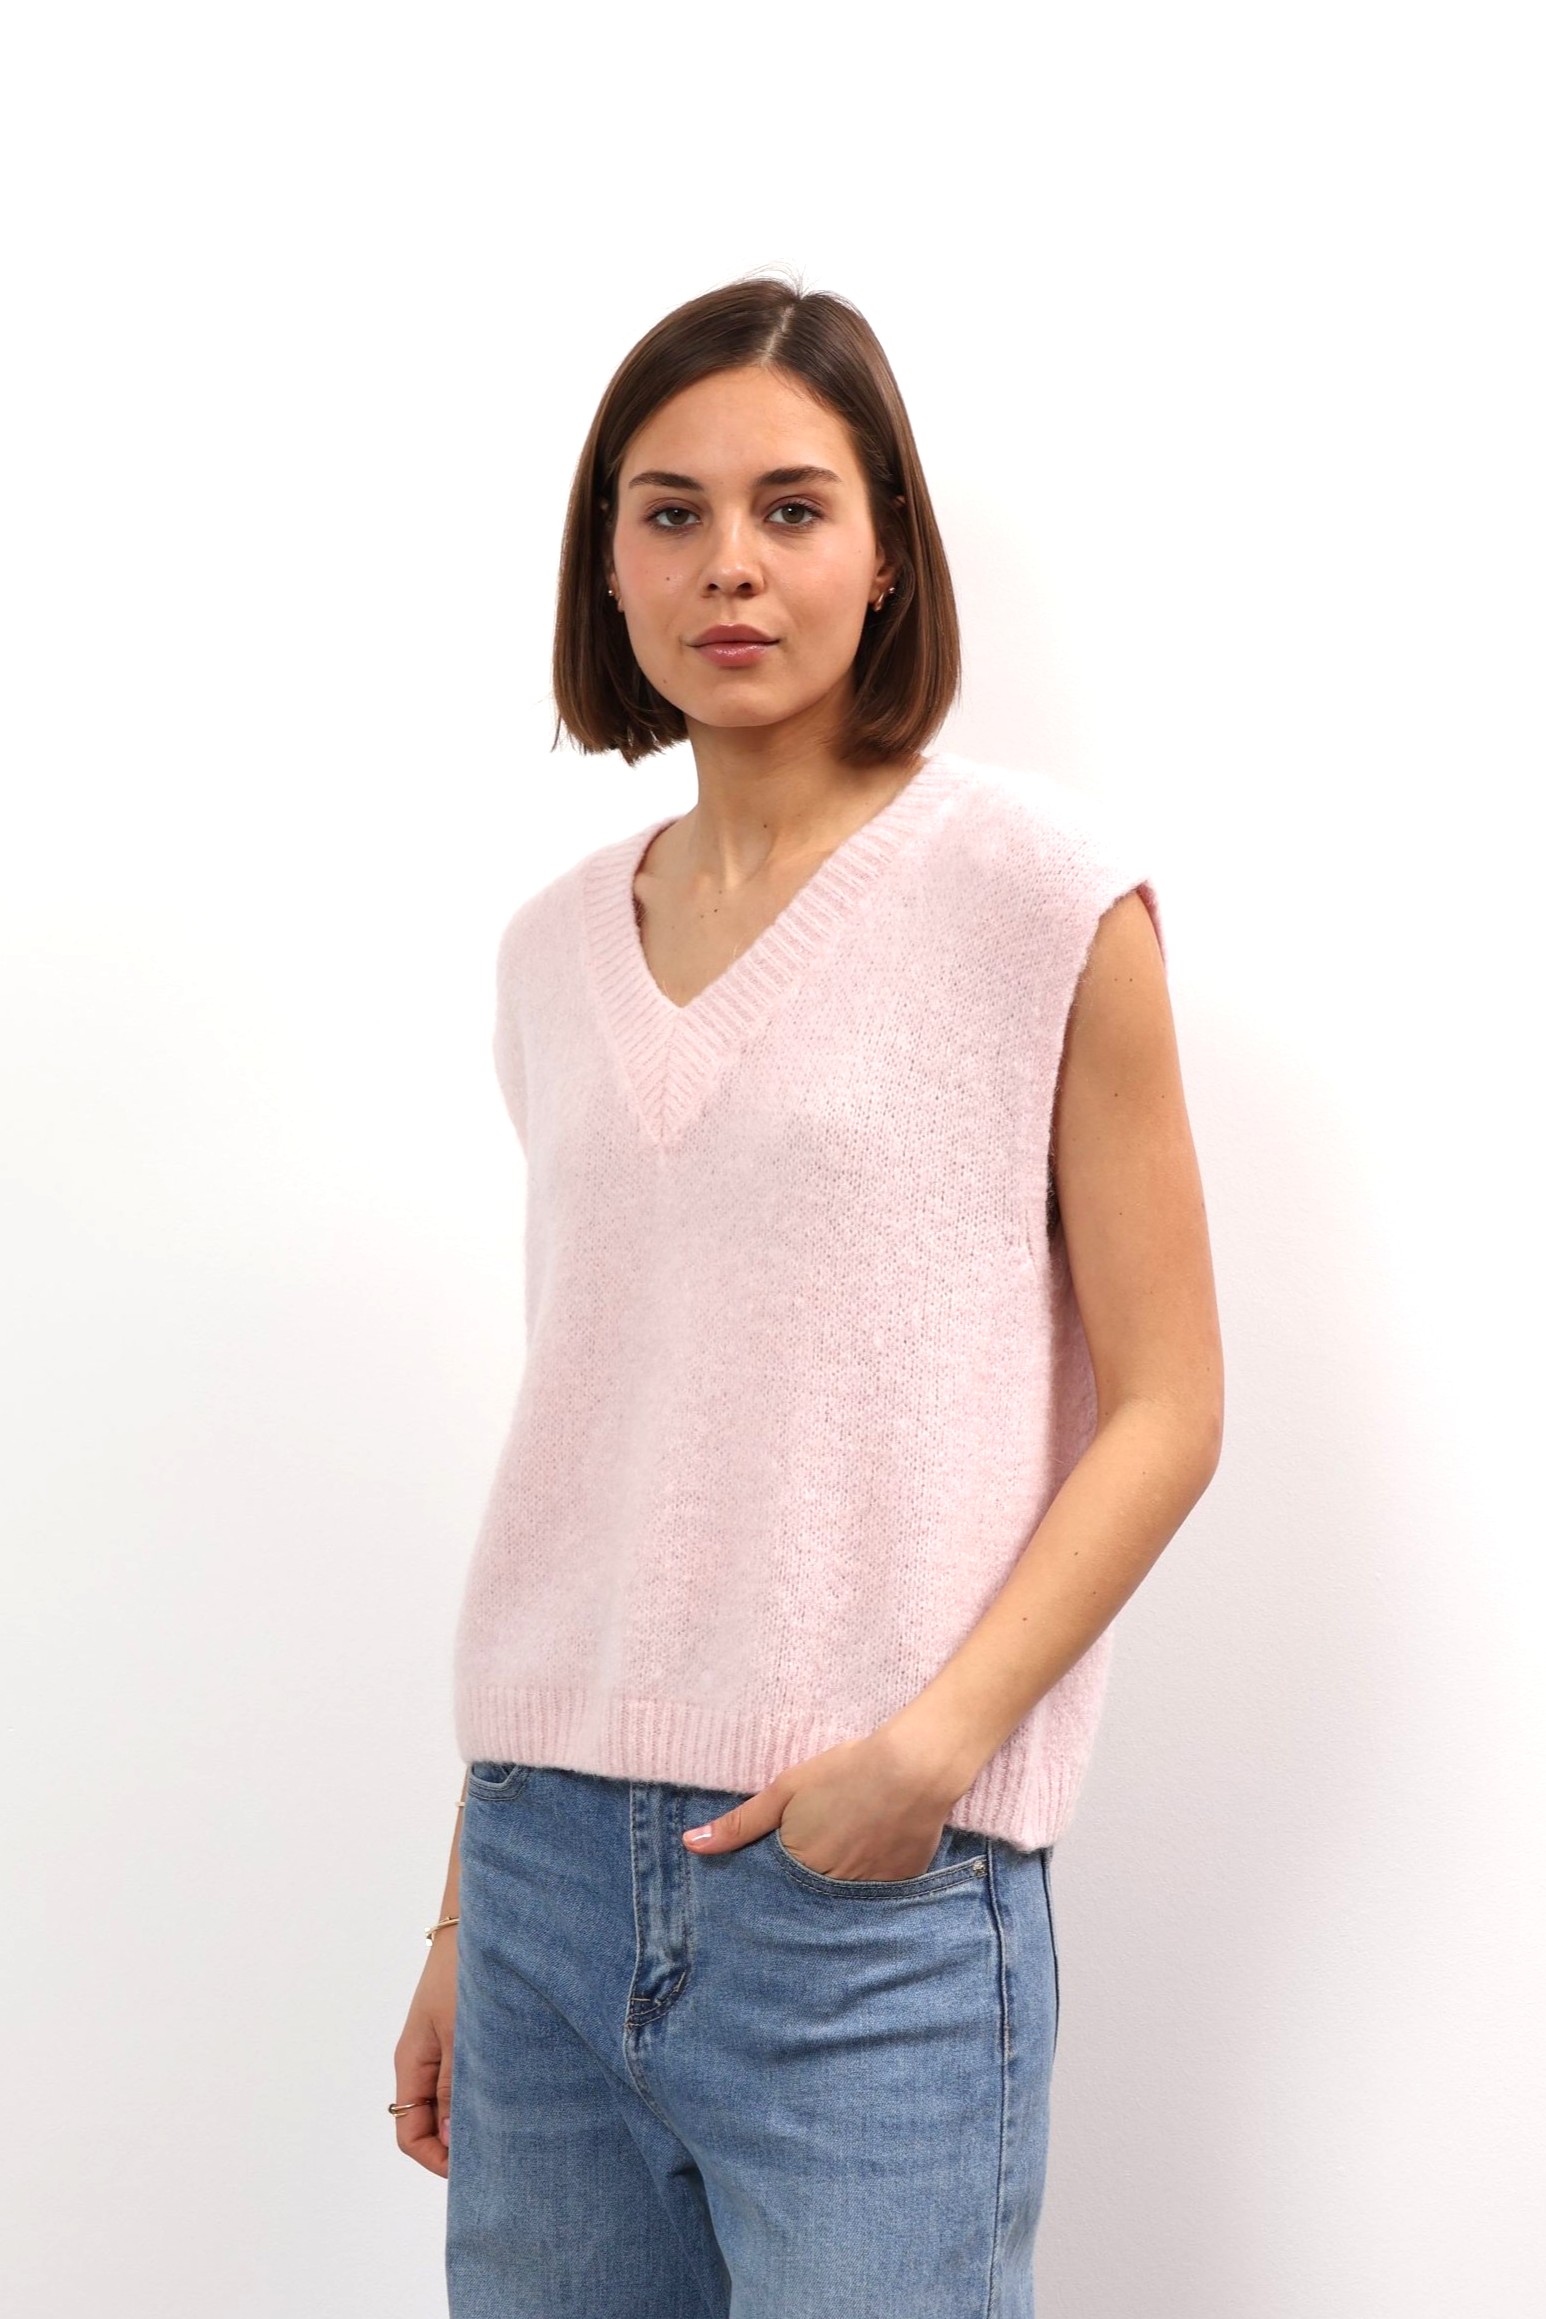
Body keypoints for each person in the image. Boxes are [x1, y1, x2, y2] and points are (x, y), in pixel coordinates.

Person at [392, 271, 1223, 2316]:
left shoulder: (1038, 893)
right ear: (607, 562)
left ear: (885, 553)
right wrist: (459, 1913)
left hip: (867, 1905)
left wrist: (925, 1758)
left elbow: (1170, 1401)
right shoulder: (548, 951)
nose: (729, 565)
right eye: (668, 512)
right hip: (536, 1872)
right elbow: (603, 1432)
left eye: (790, 507)